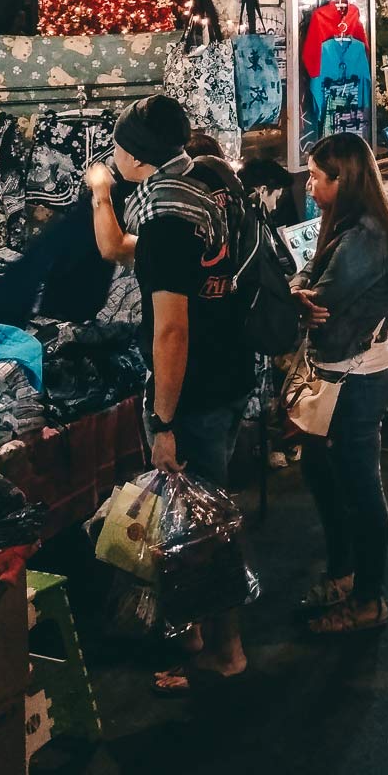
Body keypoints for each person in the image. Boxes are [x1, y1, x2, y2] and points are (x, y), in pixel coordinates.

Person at [110, 95, 255, 687]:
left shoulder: (165, 216)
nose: (113, 154)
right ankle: (193, 630)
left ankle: (227, 649)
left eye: (118, 145)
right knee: (194, 517)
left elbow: (171, 329)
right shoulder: (204, 181)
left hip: (192, 391)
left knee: (203, 525)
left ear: (138, 155)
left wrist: (163, 421)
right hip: (229, 371)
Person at [292, 134, 388, 635]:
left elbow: (322, 299)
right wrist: (300, 293)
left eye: (316, 176)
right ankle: (343, 575)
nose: (309, 185)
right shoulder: (347, 228)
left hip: (357, 380)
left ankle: (368, 599)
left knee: (359, 488)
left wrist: (301, 297)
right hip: (337, 375)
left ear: (343, 181)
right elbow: (306, 283)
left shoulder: (364, 238)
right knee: (325, 477)